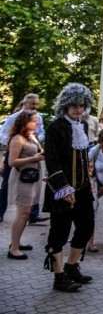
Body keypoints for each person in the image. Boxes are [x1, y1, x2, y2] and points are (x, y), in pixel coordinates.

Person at [43, 83, 97, 292]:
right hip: (61, 190)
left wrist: (88, 173)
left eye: (81, 105)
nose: (78, 109)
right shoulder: (56, 127)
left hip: (82, 188)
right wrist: (64, 189)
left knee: (86, 226)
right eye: (74, 105)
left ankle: (72, 266)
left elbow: (82, 156)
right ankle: (59, 277)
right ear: (65, 105)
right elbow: (52, 160)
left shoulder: (82, 125)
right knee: (59, 233)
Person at [0, 93, 46, 225]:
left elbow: (41, 132)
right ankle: (1, 211)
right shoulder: (14, 118)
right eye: (33, 104)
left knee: (34, 181)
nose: (35, 106)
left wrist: (38, 138)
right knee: (7, 183)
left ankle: (33, 214)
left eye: (37, 104)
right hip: (18, 152)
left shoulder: (38, 117)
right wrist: (16, 143)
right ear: (25, 103)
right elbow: (2, 134)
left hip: (32, 150)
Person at [6, 110, 44, 259]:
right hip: (23, 180)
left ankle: (17, 242)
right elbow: (12, 161)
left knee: (25, 213)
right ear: (24, 122)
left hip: (32, 178)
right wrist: (33, 158)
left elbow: (39, 152)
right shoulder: (17, 139)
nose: (37, 123)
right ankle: (13, 248)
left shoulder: (31, 136)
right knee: (23, 213)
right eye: (34, 121)